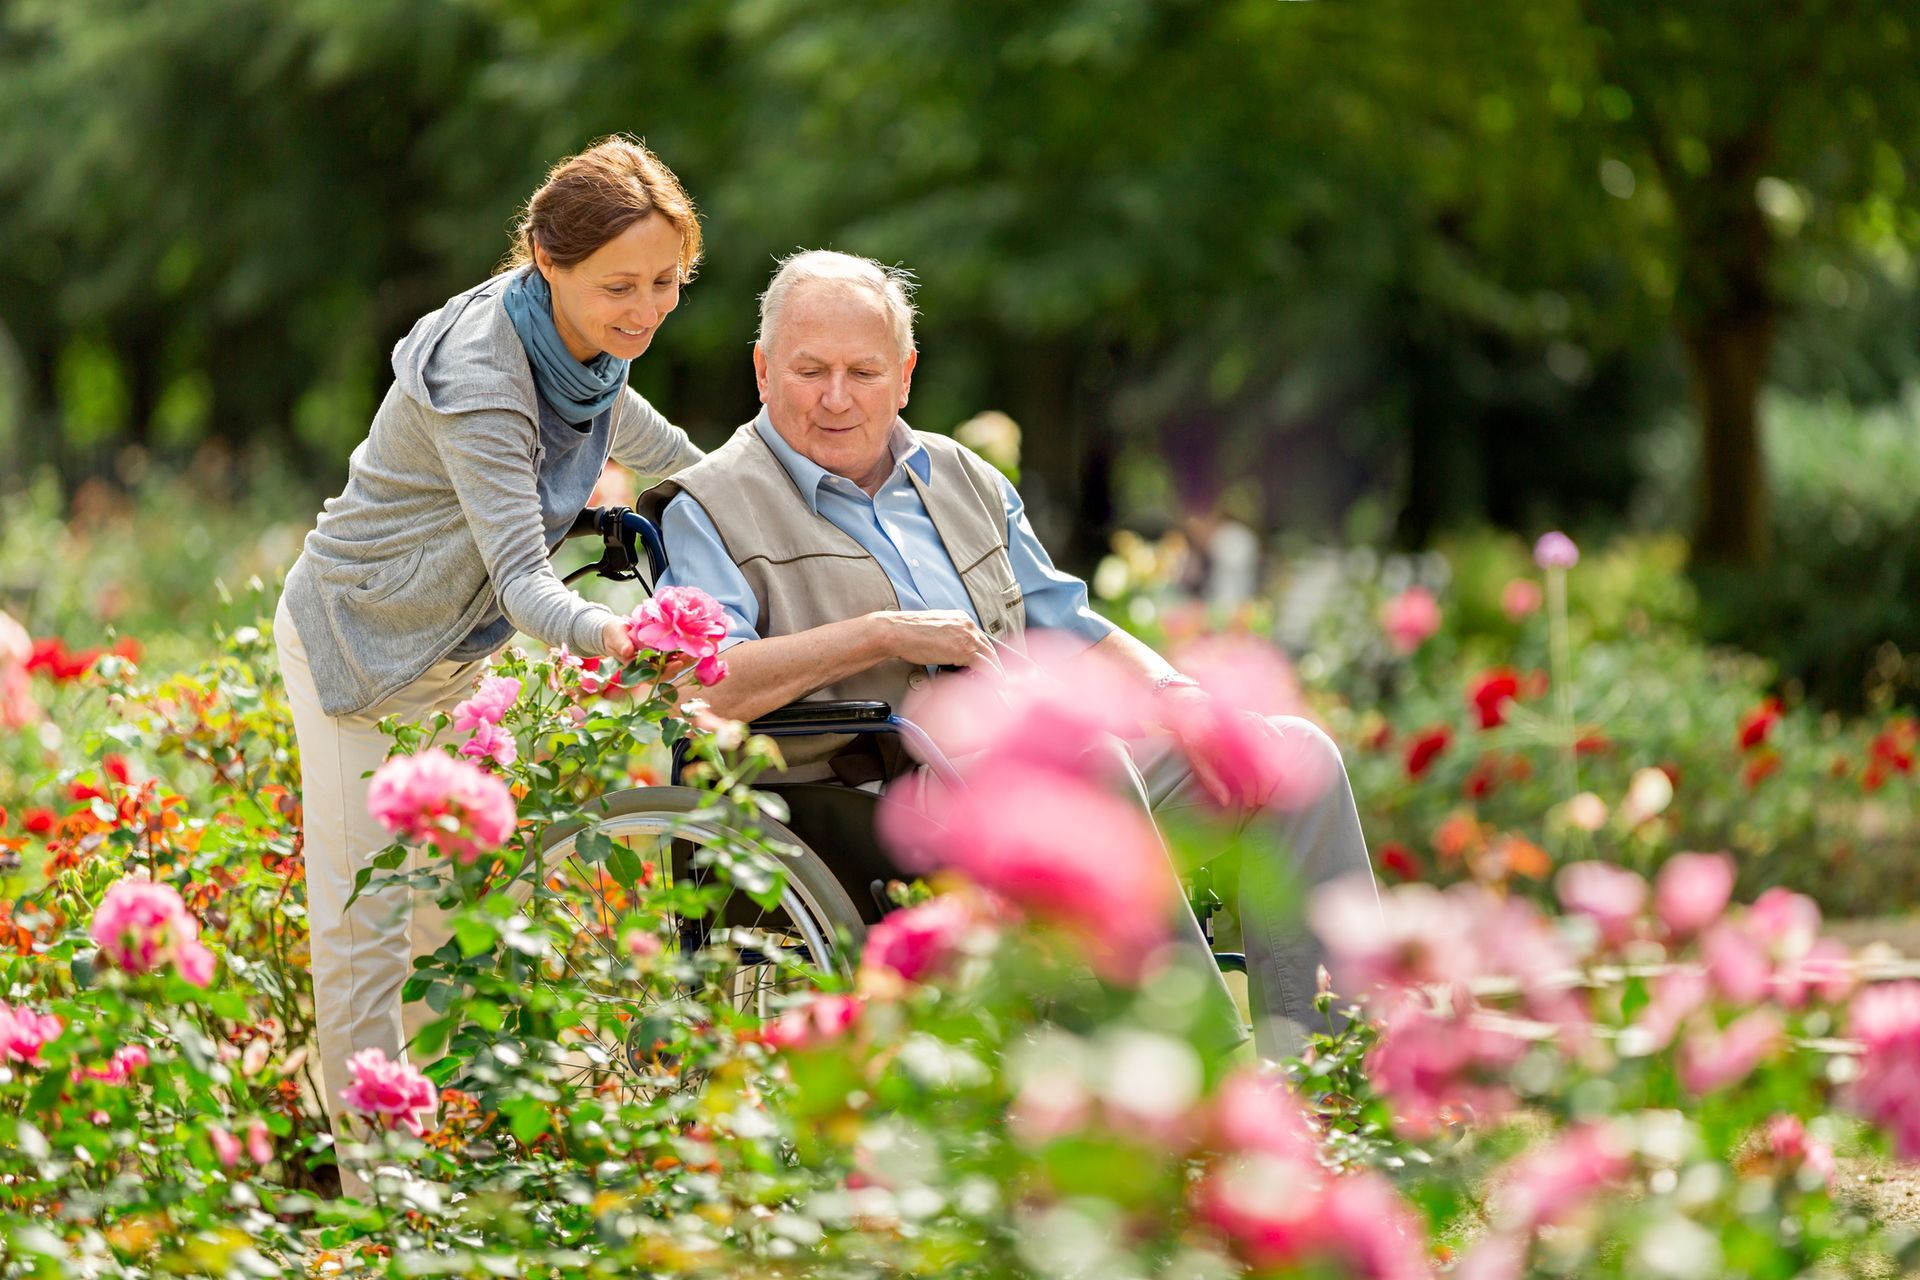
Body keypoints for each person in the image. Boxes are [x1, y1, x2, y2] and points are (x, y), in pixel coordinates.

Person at [641, 250, 1378, 1059]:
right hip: (874, 806)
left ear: (907, 376)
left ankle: (1325, 1072)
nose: (836, 397)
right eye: (810, 369)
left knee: (1289, 757)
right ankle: (1205, 1077)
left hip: (1032, 782)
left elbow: (1071, 624)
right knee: (1091, 761)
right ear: (763, 369)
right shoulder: (711, 505)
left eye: (864, 370)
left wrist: (1178, 693)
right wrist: (882, 632)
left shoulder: (965, 480)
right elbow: (705, 691)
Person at [273, 137, 704, 1193]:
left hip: (446, 660)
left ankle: (429, 1169)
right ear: (547, 261)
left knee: (435, 924)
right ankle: (382, 1202)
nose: (645, 309)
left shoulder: (587, 345)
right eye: (621, 286)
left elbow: (671, 451)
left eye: (667, 283)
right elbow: (523, 581)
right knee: (366, 932)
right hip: (361, 648)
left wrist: (769, 496)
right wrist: (628, 638)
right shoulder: (485, 372)